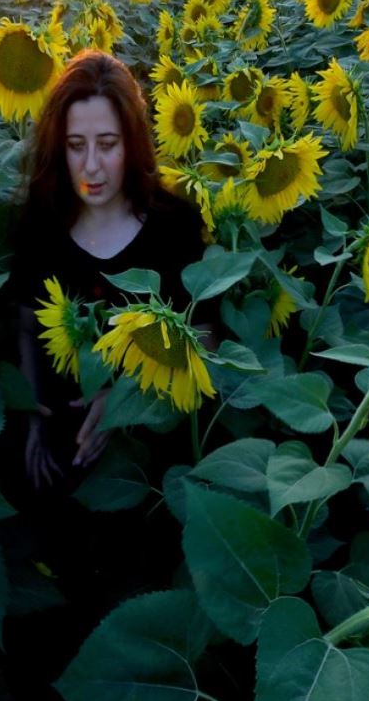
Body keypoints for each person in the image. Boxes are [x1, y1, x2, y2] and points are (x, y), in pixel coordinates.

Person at [11, 49, 216, 493]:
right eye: (75, 145)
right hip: (59, 453)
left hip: (151, 457)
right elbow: (27, 328)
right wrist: (32, 419)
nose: (90, 166)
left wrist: (125, 396)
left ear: (131, 142)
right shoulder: (40, 225)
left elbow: (202, 337)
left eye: (107, 145)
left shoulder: (174, 225)